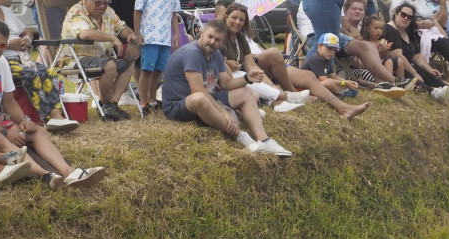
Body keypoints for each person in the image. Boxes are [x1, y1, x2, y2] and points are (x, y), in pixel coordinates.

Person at [0, 20, 106, 189]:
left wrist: (23, 120)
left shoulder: (1, 63)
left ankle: (69, 172)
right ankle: (45, 175)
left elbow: (9, 101)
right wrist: (3, 130)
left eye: (3, 46)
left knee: (37, 131)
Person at [162, 19, 292, 156]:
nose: (212, 42)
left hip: (208, 98)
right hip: (178, 105)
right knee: (200, 98)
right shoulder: (192, 53)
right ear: (202, 33)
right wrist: (223, 113)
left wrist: (247, 78)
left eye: (217, 40)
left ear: (222, 40)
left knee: (247, 93)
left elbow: (226, 84)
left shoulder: (216, 53)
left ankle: (264, 141)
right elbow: (198, 90)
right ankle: (240, 135)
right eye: (210, 37)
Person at [221, 4, 371, 119]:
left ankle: (343, 108)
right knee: (274, 52)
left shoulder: (241, 37)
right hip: (245, 75)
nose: (238, 22)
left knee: (307, 76)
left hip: (260, 69)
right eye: (234, 18)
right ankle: (289, 95)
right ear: (225, 16)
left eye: (242, 19)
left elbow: (251, 63)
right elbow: (236, 65)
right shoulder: (219, 35)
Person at [0, 0, 79, 133]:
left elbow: (27, 31)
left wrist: (27, 40)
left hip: (21, 58)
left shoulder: (6, 11)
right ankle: (45, 118)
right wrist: (8, 43)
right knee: (29, 73)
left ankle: (56, 116)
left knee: (49, 72)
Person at [383, 2, 449, 102]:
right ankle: (439, 92)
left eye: (409, 17)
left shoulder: (407, 30)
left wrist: (429, 69)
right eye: (403, 15)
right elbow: (398, 56)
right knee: (415, 74)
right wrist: (415, 73)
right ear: (396, 14)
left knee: (426, 72)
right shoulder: (389, 30)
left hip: (408, 66)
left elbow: (416, 56)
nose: (406, 18)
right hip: (397, 70)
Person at [62, 0, 140, 121]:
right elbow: (85, 34)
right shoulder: (76, 12)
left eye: (106, 2)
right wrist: (111, 37)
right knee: (109, 65)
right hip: (77, 60)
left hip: (103, 59)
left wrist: (130, 34)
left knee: (128, 63)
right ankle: (105, 105)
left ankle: (112, 105)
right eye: (98, 2)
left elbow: (122, 27)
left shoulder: (108, 12)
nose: (102, 6)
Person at [134, 0, 181, 114]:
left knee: (158, 71)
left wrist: (176, 33)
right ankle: (143, 103)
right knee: (146, 70)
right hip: (149, 37)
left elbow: (173, 14)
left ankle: (152, 100)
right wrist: (138, 33)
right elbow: (137, 12)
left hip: (165, 39)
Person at [301, 33, 360, 98]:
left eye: (334, 50)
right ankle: (341, 94)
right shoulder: (316, 59)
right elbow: (324, 80)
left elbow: (332, 75)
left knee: (339, 80)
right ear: (319, 46)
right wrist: (344, 83)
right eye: (329, 48)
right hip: (304, 88)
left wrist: (346, 82)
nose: (332, 52)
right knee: (329, 83)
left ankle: (341, 93)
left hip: (316, 85)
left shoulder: (327, 57)